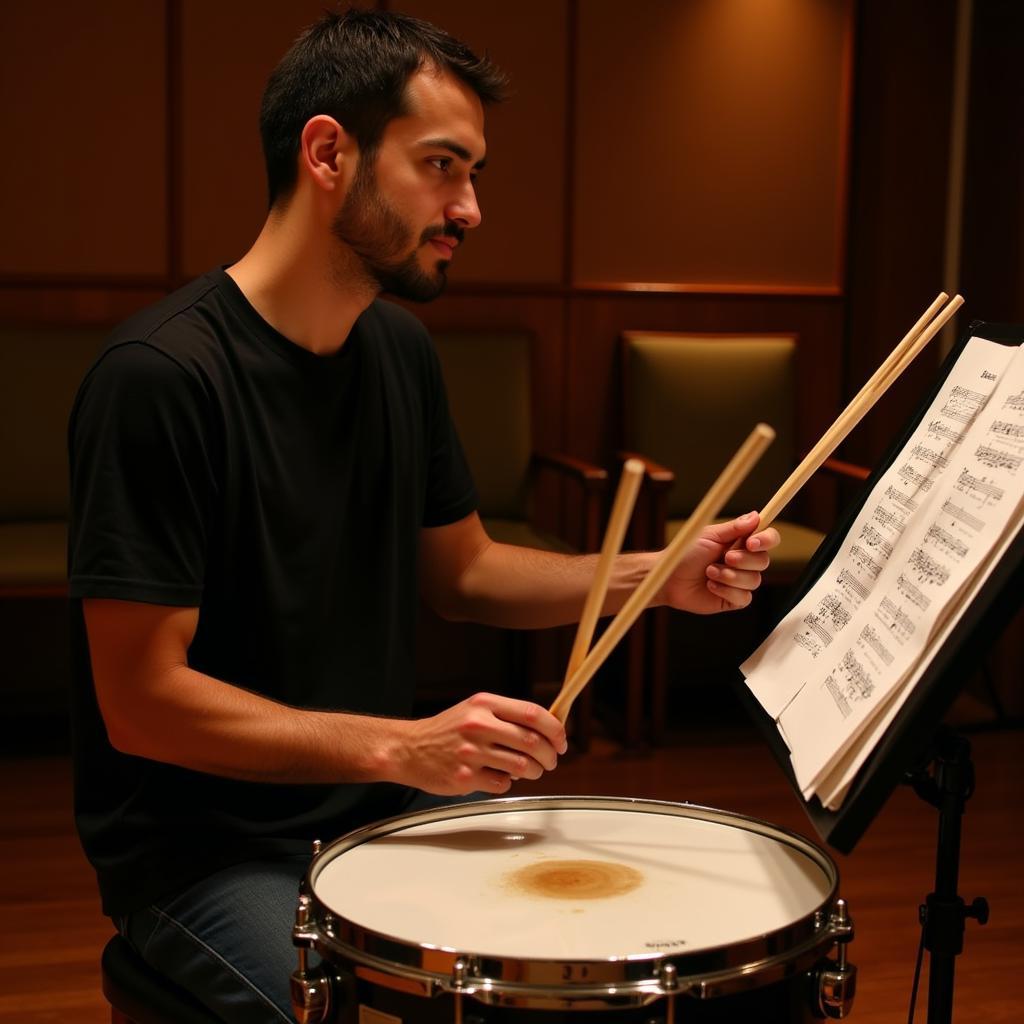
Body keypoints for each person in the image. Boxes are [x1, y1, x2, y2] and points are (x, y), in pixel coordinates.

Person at [67, 8, 780, 1023]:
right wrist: (402, 747)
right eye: (443, 166)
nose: (472, 207)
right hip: (204, 853)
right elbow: (140, 700)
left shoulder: (397, 354)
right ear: (327, 152)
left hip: (376, 809)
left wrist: (657, 576)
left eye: (473, 172)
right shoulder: (160, 379)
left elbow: (468, 571)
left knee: (599, 963)